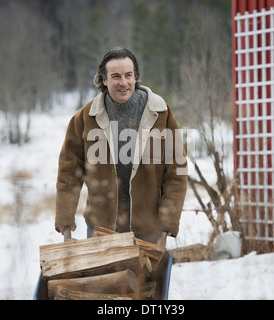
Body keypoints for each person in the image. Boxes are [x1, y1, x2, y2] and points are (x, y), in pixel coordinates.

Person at [55, 47, 187, 247]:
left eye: (128, 75)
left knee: (145, 279)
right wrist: (65, 218)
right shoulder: (85, 117)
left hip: (147, 228)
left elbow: (176, 173)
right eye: (116, 76)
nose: (123, 82)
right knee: (104, 279)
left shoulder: (160, 113)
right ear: (104, 80)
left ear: (136, 77)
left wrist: (167, 222)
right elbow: (68, 173)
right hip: (101, 227)